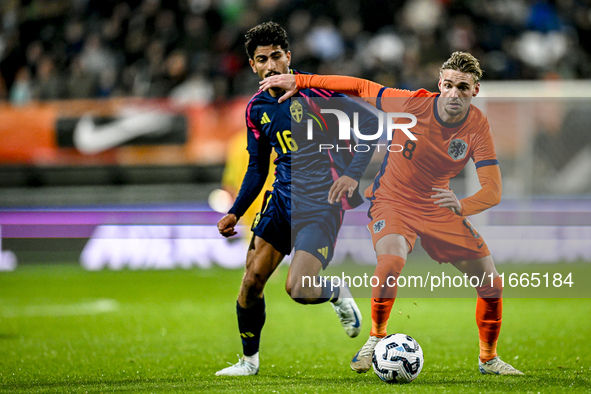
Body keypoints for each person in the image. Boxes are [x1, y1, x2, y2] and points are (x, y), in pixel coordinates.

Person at [260, 51, 524, 375]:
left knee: (491, 282)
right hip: (393, 199)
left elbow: (493, 190)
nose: (455, 94)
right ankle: (376, 337)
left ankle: (489, 359)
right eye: (450, 85)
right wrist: (301, 81)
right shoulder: (412, 104)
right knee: (391, 260)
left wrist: (463, 206)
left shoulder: (477, 127)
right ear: (440, 84)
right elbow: (358, 86)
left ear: (475, 91)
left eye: (463, 88)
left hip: (437, 205)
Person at [215, 22, 378, 376]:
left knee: (300, 289)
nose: (271, 65)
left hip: (321, 206)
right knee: (251, 282)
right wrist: (234, 212)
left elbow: (372, 124)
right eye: (262, 59)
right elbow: (257, 169)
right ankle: (249, 362)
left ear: (289, 57)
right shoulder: (256, 109)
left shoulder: (319, 93)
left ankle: (336, 292)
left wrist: (353, 174)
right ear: (253, 66)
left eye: (277, 56)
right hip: (281, 202)